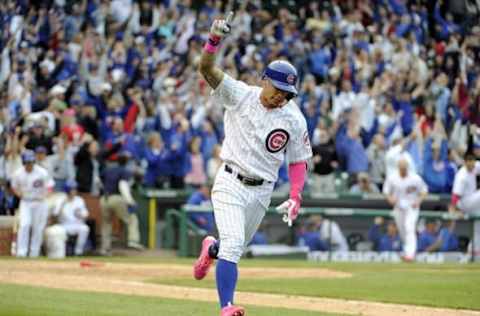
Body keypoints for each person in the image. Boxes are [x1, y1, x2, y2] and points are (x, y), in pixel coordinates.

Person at [193, 13, 312, 316]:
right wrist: (214, 41)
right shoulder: (240, 94)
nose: (281, 98)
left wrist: (296, 195)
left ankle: (211, 249)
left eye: (287, 95)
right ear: (263, 80)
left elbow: (298, 161)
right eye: (277, 90)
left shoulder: (294, 118)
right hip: (231, 181)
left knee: (232, 250)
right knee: (233, 244)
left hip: (262, 192)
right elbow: (205, 68)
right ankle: (227, 307)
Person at [11, 150, 55, 257]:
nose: (29, 164)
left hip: (40, 202)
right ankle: (21, 252)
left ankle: (34, 253)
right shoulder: (18, 173)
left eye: (31, 162)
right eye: (27, 162)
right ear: (23, 162)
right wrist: (19, 194)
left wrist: (47, 194)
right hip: (26, 202)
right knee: (25, 225)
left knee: (38, 228)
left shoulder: (42, 172)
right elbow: (14, 187)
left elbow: (50, 186)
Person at [383, 158, 428, 262]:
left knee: (409, 227)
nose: (403, 170)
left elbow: (424, 190)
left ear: (407, 167)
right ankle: (407, 251)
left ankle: (410, 254)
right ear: (398, 167)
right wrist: (390, 199)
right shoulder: (392, 177)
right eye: (401, 168)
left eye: (404, 168)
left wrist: (419, 201)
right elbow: (386, 191)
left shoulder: (415, 178)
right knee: (403, 231)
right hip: (398, 207)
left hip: (411, 207)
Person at [100, 152, 144, 255]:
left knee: (106, 223)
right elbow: (122, 186)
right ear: (126, 161)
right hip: (117, 198)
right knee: (132, 219)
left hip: (104, 198)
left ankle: (105, 248)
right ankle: (133, 241)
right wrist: (130, 202)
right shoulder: (125, 171)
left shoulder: (108, 169)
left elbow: (99, 181)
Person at [449, 152, 480, 257]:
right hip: (464, 202)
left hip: (474, 202)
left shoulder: (476, 166)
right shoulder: (461, 176)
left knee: (478, 226)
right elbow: (455, 196)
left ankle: (473, 251)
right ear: (465, 162)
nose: (471, 164)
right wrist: (453, 210)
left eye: (473, 161)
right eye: (469, 161)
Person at [53, 180, 90, 256]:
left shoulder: (79, 200)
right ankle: (61, 253)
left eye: (75, 189)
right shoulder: (60, 200)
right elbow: (55, 214)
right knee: (59, 231)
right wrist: (63, 204)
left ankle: (78, 252)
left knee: (85, 228)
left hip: (77, 224)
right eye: (72, 189)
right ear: (67, 190)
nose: (75, 191)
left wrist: (81, 215)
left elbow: (86, 214)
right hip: (64, 225)